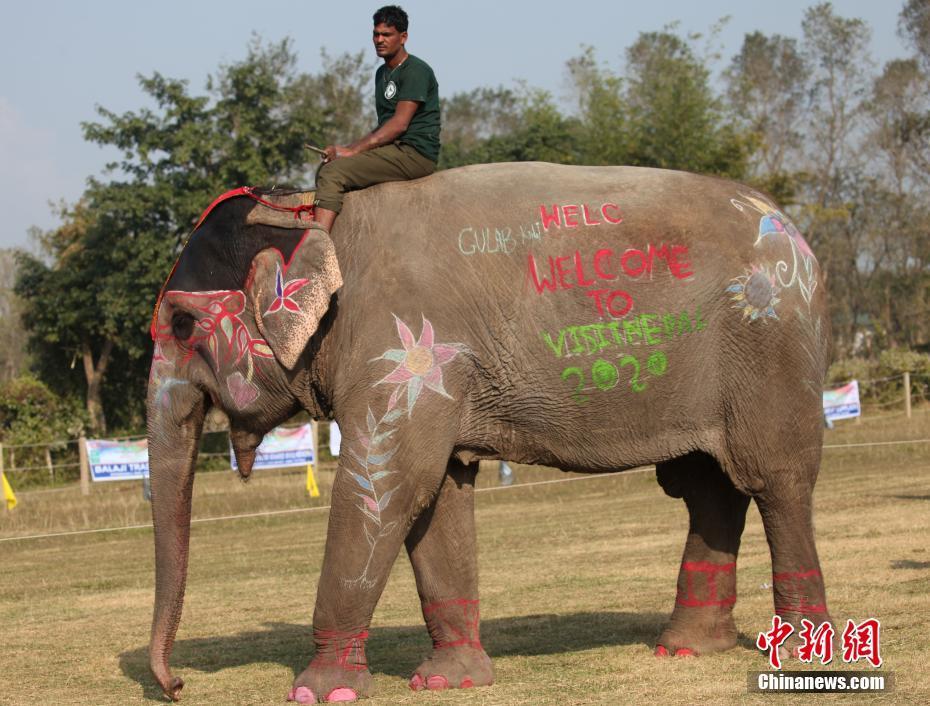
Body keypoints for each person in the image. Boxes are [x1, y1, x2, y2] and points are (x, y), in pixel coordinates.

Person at [312, 5, 440, 232]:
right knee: (327, 166)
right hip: (394, 149)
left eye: (386, 35)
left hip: (414, 153)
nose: (379, 40)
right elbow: (382, 128)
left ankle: (316, 247)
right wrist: (343, 150)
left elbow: (398, 125)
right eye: (376, 34)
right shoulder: (382, 73)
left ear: (403, 37)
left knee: (333, 173)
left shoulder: (416, 70)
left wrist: (351, 151)